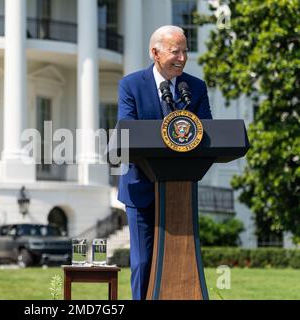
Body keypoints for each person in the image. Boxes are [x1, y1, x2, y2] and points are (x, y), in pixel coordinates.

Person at [117, 25, 212, 300]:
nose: (182, 57)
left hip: (180, 191)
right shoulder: (131, 85)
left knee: (182, 264)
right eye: (175, 51)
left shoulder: (195, 88)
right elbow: (127, 133)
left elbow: (209, 132)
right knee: (143, 263)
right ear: (155, 53)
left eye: (185, 51)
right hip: (141, 189)